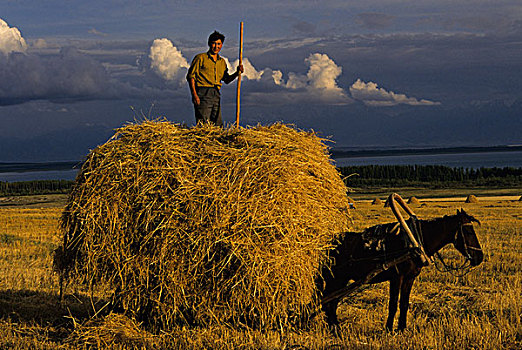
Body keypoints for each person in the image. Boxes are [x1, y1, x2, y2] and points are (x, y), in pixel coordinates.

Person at [186, 30, 244, 127]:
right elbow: (191, 76)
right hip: (203, 92)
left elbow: (226, 79)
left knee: (217, 124)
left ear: (222, 45)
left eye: (219, 44)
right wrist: (194, 95)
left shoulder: (222, 62)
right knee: (204, 123)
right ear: (209, 44)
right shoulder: (200, 58)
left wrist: (237, 73)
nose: (216, 46)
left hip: (216, 93)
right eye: (214, 43)